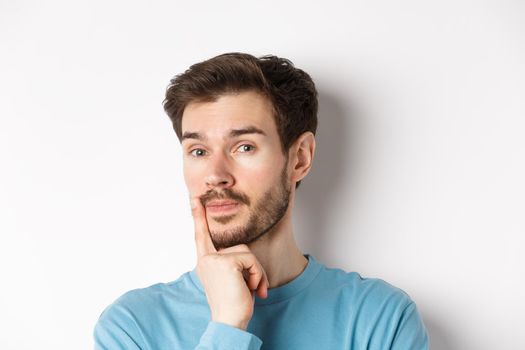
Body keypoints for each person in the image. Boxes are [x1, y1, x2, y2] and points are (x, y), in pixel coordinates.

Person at [93, 52, 429, 349]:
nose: (215, 174)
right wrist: (227, 326)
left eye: (244, 147)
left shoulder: (380, 319)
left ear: (299, 158)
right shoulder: (132, 327)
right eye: (198, 151)